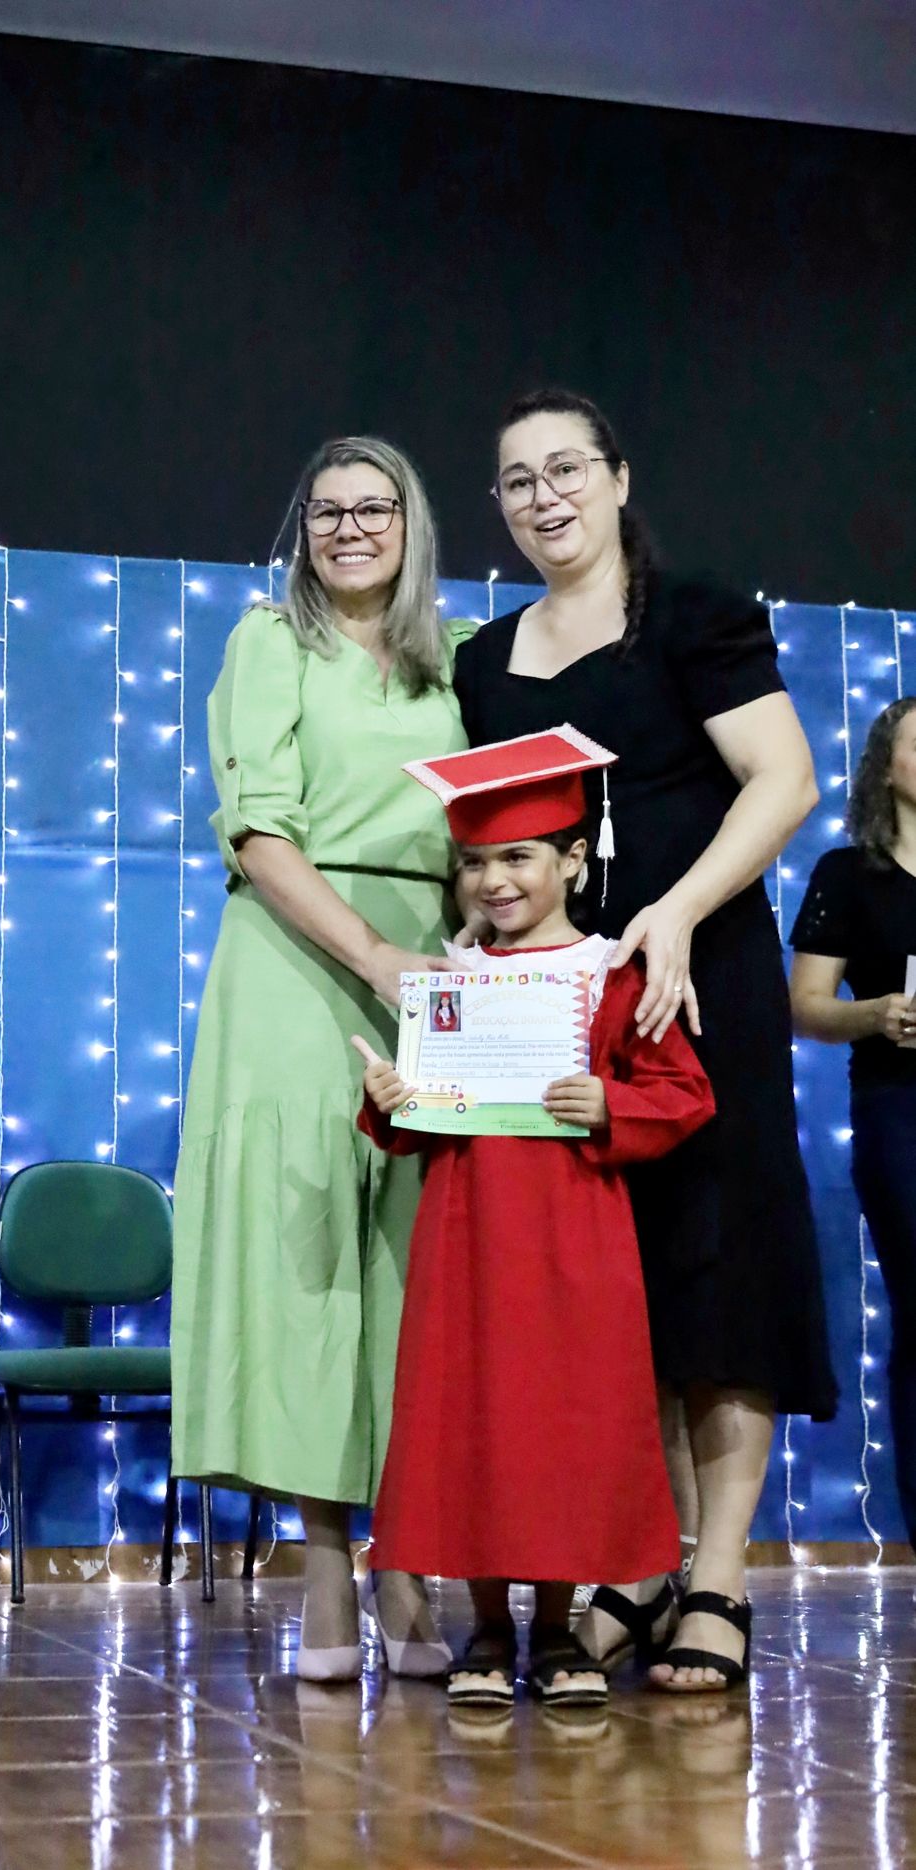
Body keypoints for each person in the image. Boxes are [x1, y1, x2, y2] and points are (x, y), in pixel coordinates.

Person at [452, 388, 838, 1692]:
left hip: (700, 979)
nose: (545, 496)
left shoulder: (694, 614)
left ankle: (717, 1575)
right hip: (566, 1006)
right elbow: (499, 842)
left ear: (617, 479)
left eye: (567, 468)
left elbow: (784, 779)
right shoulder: (484, 661)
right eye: (519, 480)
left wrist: (674, 911)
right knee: (617, 1285)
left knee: (723, 1268)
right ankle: (642, 1559)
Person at [171, 436, 475, 1683]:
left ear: (413, 523)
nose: (349, 527)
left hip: (432, 966)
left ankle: (410, 1560)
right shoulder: (269, 642)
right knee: (310, 1271)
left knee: (417, 1271)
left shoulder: (455, 658)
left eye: (373, 506)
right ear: (302, 530)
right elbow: (259, 831)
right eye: (326, 509)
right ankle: (329, 1569)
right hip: (298, 962)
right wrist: (375, 957)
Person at [354, 728, 716, 1707]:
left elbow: (685, 1093)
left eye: (517, 856)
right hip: (466, 1232)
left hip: (574, 1232)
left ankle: (555, 1631)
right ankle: (484, 1628)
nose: (494, 880)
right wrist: (390, 1100)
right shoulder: (447, 982)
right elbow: (421, 1120)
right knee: (473, 1416)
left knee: (564, 1422)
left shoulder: (613, 973)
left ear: (572, 857)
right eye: (474, 862)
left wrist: (611, 1104)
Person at [790, 697, 916, 1550]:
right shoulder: (846, 873)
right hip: (899, 1110)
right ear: (885, 767)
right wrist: (873, 1015)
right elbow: (804, 1005)